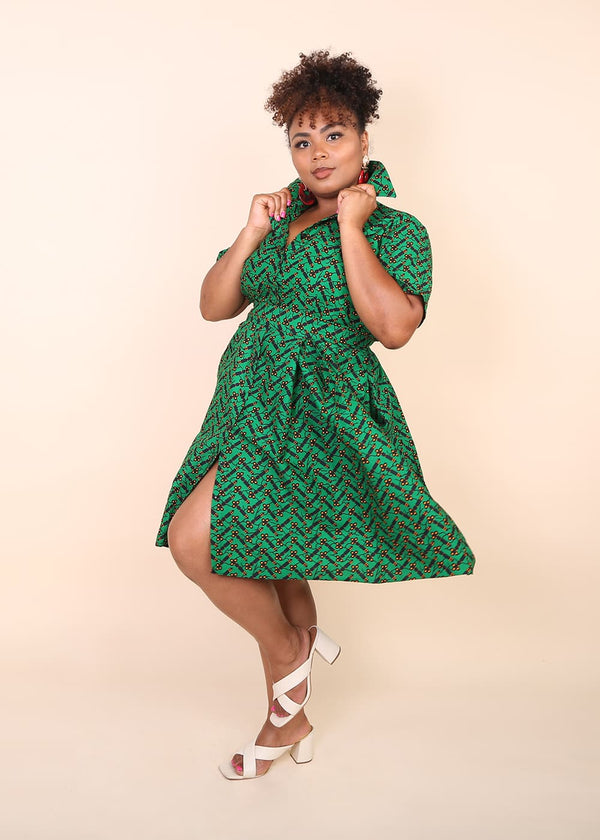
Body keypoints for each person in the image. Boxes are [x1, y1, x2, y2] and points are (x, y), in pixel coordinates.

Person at [155, 50, 476, 780]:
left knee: (194, 541)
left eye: (334, 135)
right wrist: (249, 230)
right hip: (248, 400)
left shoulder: (398, 230)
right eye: (302, 140)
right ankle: (289, 715)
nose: (318, 153)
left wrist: (355, 228)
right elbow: (214, 305)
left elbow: (394, 327)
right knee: (270, 555)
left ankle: (288, 654)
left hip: (322, 409)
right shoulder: (280, 219)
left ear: (364, 139)